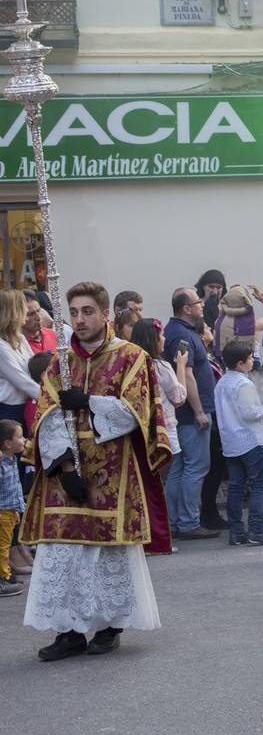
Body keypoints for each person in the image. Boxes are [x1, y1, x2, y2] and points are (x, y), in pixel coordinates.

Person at [20, 281, 172, 661]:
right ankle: (67, 631)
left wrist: (88, 401)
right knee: (62, 551)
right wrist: (64, 466)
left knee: (107, 552)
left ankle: (108, 626)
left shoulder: (132, 357)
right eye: (73, 313)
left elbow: (137, 413)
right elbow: (47, 414)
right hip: (64, 472)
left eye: (87, 311)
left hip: (112, 467)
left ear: (105, 314)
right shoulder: (59, 362)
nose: (80, 319)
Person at [162, 287, 219, 540]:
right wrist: (198, 411)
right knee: (195, 467)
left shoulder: (181, 331)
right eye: (198, 302)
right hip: (190, 415)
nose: (202, 305)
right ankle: (187, 522)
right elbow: (185, 373)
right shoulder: (179, 335)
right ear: (186, 308)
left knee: (182, 468)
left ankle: (176, 521)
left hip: (185, 415)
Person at [214, 339, 263, 547]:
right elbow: (250, 413)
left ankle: (236, 532)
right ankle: (256, 531)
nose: (252, 362)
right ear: (240, 363)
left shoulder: (222, 382)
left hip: (231, 442)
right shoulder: (244, 383)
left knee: (236, 487)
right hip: (250, 440)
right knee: (258, 485)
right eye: (249, 359)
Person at [130, 319, 182, 555]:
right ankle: (158, 536)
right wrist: (181, 365)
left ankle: (145, 536)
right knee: (159, 485)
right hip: (164, 429)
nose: (164, 340)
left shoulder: (132, 365)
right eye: (160, 336)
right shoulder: (161, 367)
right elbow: (179, 396)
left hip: (140, 430)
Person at [0, 288, 38, 425]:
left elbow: (34, 366)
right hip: (9, 411)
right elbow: (21, 380)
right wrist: (48, 397)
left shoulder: (20, 338)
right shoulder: (1, 346)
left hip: (27, 404)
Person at [0, 419, 24, 596]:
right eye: (20, 437)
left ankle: (6, 573)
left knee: (6, 545)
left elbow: (15, 486)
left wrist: (18, 508)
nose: (24, 441)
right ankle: (2, 578)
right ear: (8, 443)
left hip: (10, 511)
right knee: (1, 546)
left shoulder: (12, 459)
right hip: (2, 513)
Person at [22, 289, 57, 356]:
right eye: (31, 314)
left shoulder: (52, 334)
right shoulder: (19, 345)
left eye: (38, 311)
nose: (38, 318)